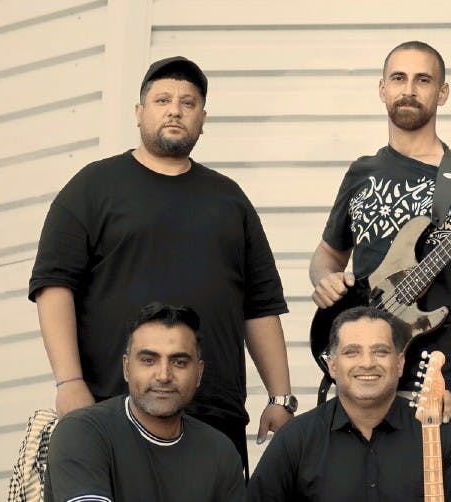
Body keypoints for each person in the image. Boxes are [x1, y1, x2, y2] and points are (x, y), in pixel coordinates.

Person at [28, 56, 295, 477]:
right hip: (116, 407)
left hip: (215, 415)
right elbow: (53, 286)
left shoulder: (230, 199)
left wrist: (280, 397)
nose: (175, 109)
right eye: (162, 100)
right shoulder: (93, 187)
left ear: (203, 119)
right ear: (139, 113)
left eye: (188, 103)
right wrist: (69, 382)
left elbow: (260, 305)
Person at [310, 41, 451, 419]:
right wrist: (325, 279)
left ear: (442, 92)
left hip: (441, 384)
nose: (409, 89)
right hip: (361, 380)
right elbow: (327, 255)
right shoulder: (362, 172)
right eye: (398, 78)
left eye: (423, 80)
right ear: (382, 89)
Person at [248, 306, 451, 501]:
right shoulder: (296, 440)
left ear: (400, 363)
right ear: (332, 365)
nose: (367, 363)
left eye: (380, 351)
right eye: (352, 352)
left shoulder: (441, 433)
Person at [44, 303, 245, 501]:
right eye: (149, 360)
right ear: (127, 368)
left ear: (199, 373)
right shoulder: (82, 432)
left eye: (179, 362)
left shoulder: (221, 453)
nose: (164, 376)